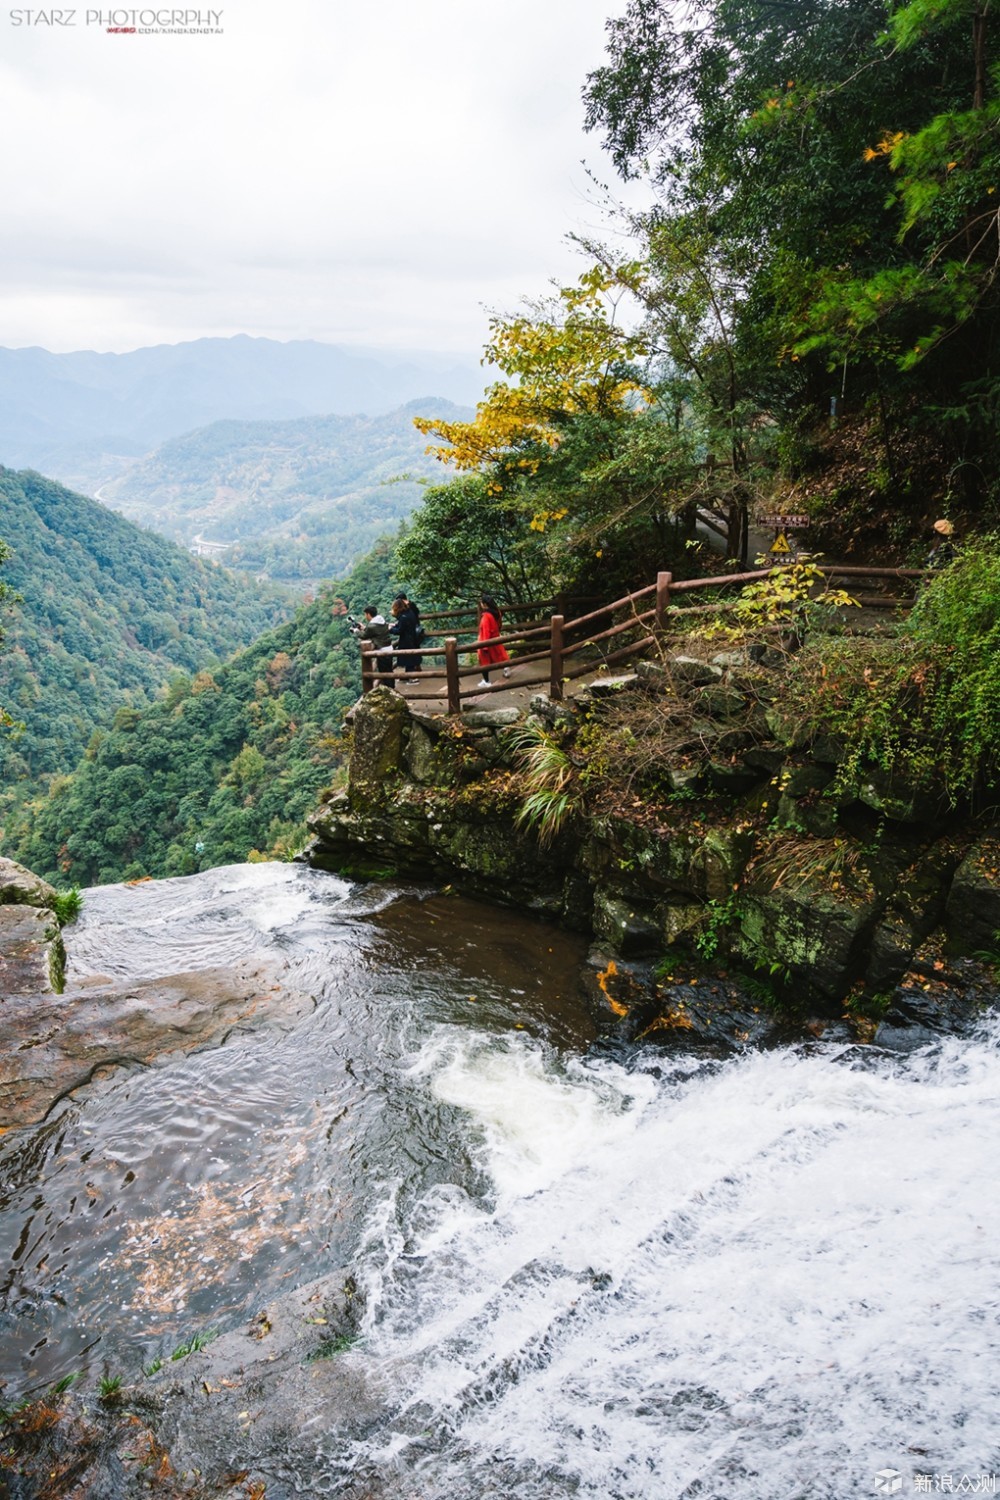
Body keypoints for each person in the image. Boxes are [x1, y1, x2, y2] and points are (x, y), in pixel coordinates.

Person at [351, 606, 395, 685]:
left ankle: (389, 690)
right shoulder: (381, 620)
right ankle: (392, 687)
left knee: (384, 672)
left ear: (368, 614)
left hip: (382, 651)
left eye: (365, 614)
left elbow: (364, 636)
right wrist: (364, 628)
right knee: (389, 669)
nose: (365, 616)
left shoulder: (371, 626)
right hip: (389, 648)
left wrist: (356, 631)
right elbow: (376, 632)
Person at [475, 594, 511, 689]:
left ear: (485, 604)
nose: (481, 605)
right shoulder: (497, 612)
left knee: (484, 661)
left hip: (486, 640)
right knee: (500, 655)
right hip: (495, 636)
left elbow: (486, 630)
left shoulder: (486, 616)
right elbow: (499, 624)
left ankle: (486, 681)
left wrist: (484, 646)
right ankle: (506, 668)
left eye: (482, 603)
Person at [389, 594, 422, 680]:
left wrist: (390, 629)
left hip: (407, 640)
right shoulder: (409, 612)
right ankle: (407, 676)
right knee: (409, 658)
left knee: (408, 659)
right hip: (412, 637)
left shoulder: (403, 617)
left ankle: (412, 678)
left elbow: (400, 630)